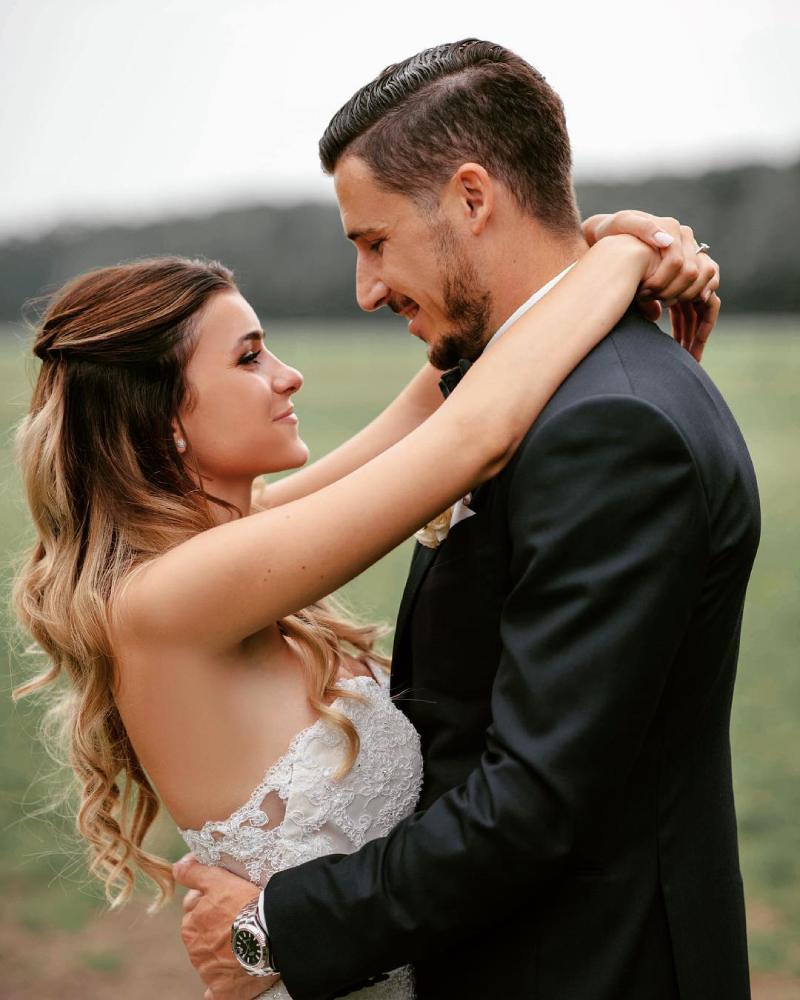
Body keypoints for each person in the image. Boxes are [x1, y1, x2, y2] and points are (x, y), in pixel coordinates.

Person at [174, 40, 758, 1000]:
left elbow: (533, 799)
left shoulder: (607, 426)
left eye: (374, 241)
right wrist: (618, 244)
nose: (367, 289)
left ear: (473, 197)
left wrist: (271, 930)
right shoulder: (526, 390)